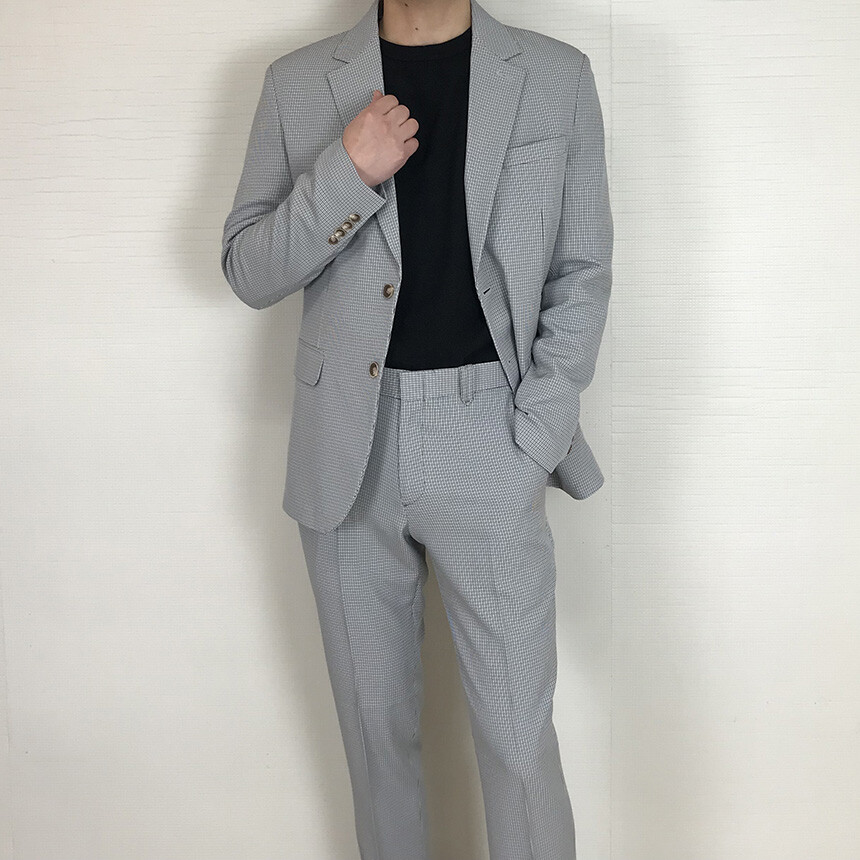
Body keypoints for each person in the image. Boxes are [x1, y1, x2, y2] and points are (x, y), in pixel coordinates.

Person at [220, 0, 612, 856]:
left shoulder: (556, 78)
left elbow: (581, 269)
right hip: (345, 446)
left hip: (492, 434)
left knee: (517, 743)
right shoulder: (295, 84)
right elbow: (248, 268)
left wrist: (537, 431)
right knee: (377, 742)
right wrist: (346, 172)